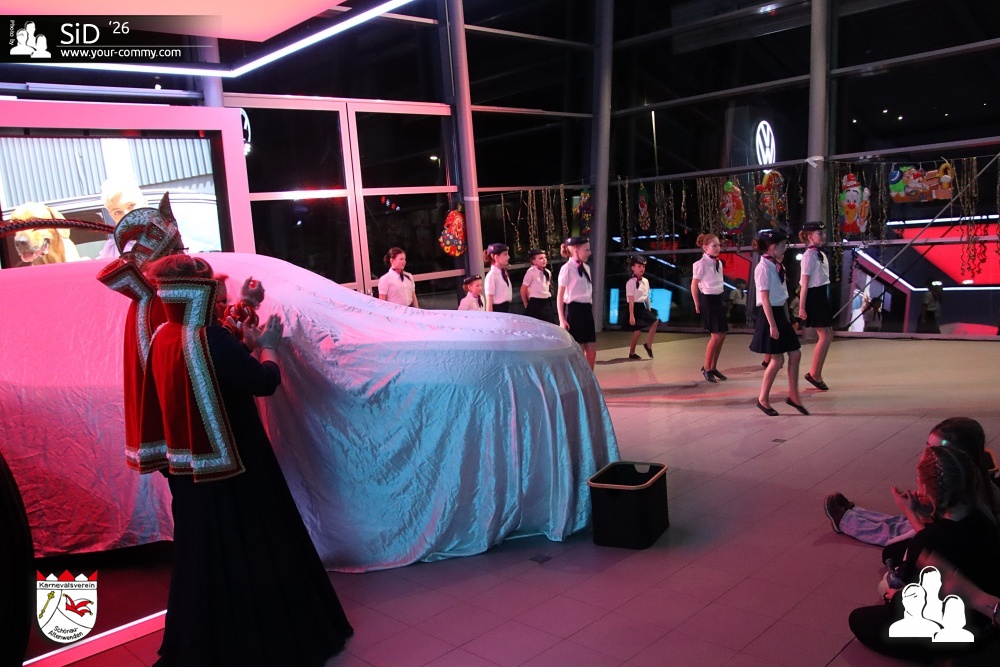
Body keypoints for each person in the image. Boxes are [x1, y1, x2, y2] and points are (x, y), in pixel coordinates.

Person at [142, 254, 353, 666]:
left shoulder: (164, 334)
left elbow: (219, 350)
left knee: (204, 561)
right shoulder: (209, 339)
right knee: (257, 550)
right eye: (217, 298)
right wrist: (269, 348)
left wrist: (246, 310)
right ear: (199, 294)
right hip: (237, 466)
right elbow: (262, 382)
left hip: (190, 473)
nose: (223, 307)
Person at [847, 446, 1000, 662]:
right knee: (893, 553)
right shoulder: (983, 515)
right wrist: (919, 513)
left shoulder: (929, 541)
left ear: (926, 488)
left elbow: (915, 600)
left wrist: (894, 596)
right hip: (985, 611)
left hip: (960, 629)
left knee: (859, 618)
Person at [825, 417, 1000, 546]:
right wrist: (923, 508)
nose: (928, 456)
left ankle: (846, 522)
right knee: (902, 522)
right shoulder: (969, 478)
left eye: (936, 451)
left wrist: (911, 512)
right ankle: (854, 513)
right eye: (928, 448)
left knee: (899, 531)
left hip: (943, 544)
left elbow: (933, 539)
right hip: (942, 531)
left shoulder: (975, 498)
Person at [749, 228, 807, 416]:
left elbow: (780, 295)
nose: (785, 249)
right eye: (783, 246)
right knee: (777, 359)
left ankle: (794, 396)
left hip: (780, 313)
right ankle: (763, 399)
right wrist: (773, 325)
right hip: (769, 316)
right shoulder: (763, 268)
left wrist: (787, 318)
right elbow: (765, 299)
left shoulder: (776, 265)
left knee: (795, 354)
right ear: (773, 247)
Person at [798, 221, 834, 391]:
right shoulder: (809, 256)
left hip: (821, 295)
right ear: (809, 236)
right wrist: (802, 307)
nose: (823, 236)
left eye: (823, 233)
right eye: (819, 233)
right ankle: (814, 374)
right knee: (825, 335)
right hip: (814, 296)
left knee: (828, 335)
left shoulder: (820, 254)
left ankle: (816, 373)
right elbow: (804, 284)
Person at [691, 233, 727, 382]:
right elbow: (694, 284)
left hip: (717, 299)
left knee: (722, 335)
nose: (718, 248)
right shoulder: (700, 264)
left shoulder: (718, 263)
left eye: (719, 245)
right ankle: (706, 368)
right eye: (714, 245)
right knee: (716, 335)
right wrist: (696, 302)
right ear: (705, 247)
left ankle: (713, 367)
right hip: (707, 300)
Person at [557, 236, 596, 370]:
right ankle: (578, 377)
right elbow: (560, 295)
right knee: (578, 350)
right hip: (574, 310)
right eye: (587, 250)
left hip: (586, 309)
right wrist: (562, 319)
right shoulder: (567, 268)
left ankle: (590, 377)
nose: (589, 253)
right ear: (575, 250)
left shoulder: (586, 267)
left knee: (591, 350)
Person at [97, 179, 149, 259]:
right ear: (111, 216)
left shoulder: (167, 236)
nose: (126, 215)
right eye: (117, 212)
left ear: (145, 203)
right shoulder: (112, 250)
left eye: (131, 206)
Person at [625, 255, 658, 360]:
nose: (642, 268)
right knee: (637, 332)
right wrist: (631, 315)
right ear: (633, 268)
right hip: (634, 308)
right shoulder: (630, 283)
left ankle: (648, 345)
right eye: (639, 266)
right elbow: (631, 300)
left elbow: (646, 296)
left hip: (642, 307)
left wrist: (649, 308)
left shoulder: (645, 281)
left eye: (643, 266)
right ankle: (632, 353)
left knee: (655, 321)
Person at [521, 248, 557, 324]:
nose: (544, 260)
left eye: (545, 258)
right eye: (540, 258)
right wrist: (526, 302)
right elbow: (523, 288)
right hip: (536, 302)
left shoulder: (547, 272)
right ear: (534, 261)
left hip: (546, 301)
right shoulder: (531, 272)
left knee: (549, 323)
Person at [483, 242, 513, 312]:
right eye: (505, 254)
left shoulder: (503, 272)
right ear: (496, 257)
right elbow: (489, 301)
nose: (508, 257)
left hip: (506, 307)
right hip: (498, 310)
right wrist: (490, 317)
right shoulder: (492, 275)